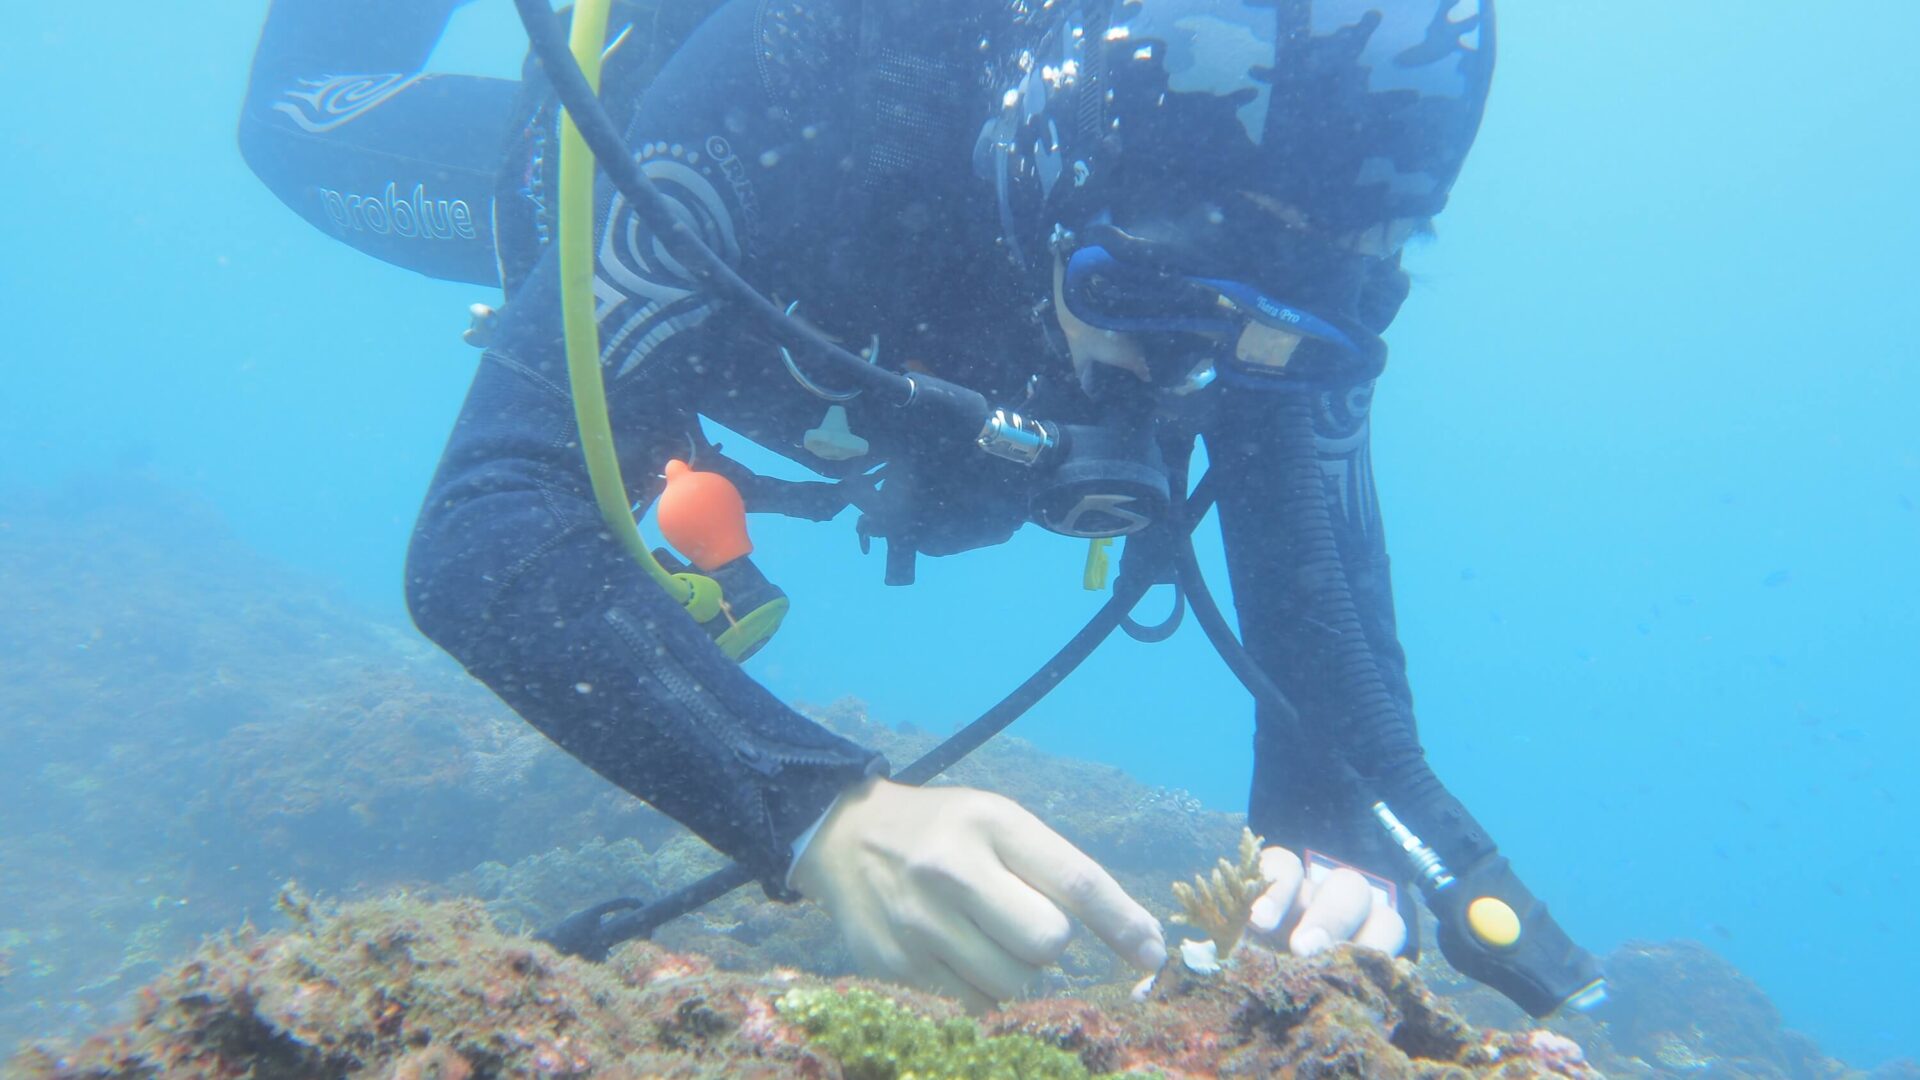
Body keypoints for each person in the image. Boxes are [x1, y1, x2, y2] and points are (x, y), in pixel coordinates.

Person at [242, 0, 1595, 1016]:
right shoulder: (806, 71)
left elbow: (1341, 693)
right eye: (1146, 310)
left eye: (1294, 351)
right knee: (290, 120)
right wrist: (824, 812)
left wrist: (1332, 856)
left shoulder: (1283, 270)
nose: (1202, 385)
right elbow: (487, 522)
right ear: (1042, 161)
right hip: (641, 212)